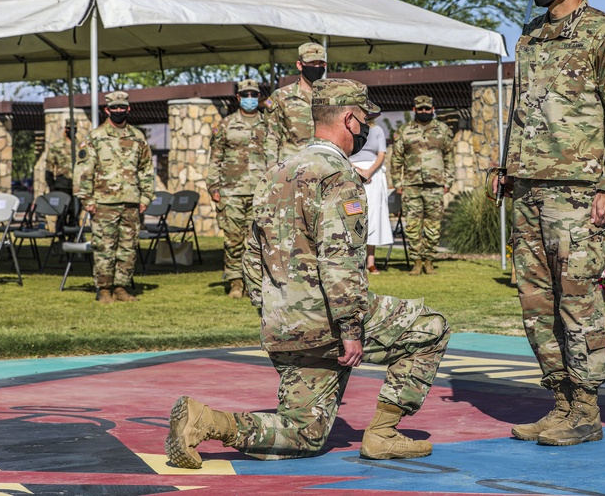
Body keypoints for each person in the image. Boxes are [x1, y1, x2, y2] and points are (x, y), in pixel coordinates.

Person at [166, 79, 450, 467]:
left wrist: (270, 310)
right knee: (430, 327)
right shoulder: (338, 174)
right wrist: (350, 330)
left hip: (284, 322)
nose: (366, 127)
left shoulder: (276, 172)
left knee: (304, 433)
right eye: (364, 119)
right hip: (328, 321)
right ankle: (383, 434)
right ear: (349, 119)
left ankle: (207, 422)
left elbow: (252, 255)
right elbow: (341, 259)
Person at [496, 0, 605, 447]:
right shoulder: (530, 35)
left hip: (579, 194)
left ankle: (586, 408)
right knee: (535, 302)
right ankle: (560, 401)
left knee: (578, 301)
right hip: (530, 190)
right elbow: (522, 108)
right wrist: (507, 165)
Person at [74, 91, 154, 304]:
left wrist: (146, 198)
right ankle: (104, 289)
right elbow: (83, 171)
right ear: (107, 110)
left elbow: (146, 169)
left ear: (128, 109)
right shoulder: (95, 137)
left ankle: (121, 287)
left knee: (128, 248)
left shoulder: (137, 137)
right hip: (103, 203)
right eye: (114, 108)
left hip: (131, 202)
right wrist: (87, 200)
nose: (118, 111)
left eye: (122, 107)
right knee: (104, 247)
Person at [207, 79, 267, 298]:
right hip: (231, 191)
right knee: (233, 239)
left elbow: (275, 156)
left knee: (259, 240)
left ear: (258, 97)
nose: (250, 98)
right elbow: (215, 159)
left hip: (261, 191)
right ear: (238, 98)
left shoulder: (268, 124)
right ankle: (235, 282)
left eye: (254, 94)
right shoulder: (225, 125)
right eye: (246, 95)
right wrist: (213, 186)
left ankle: (255, 282)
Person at [391, 95, 454, 276]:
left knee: (433, 225)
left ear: (432, 109)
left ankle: (429, 261)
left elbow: (449, 157)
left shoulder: (443, 130)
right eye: (421, 109)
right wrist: (397, 182)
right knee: (412, 225)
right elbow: (396, 158)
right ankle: (416, 262)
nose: (424, 112)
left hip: (435, 185)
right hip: (411, 185)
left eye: (427, 108)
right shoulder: (404, 131)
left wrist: (448, 181)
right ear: (414, 110)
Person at [264, 42, 326, 166]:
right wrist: (272, 171)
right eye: (312, 63)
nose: (316, 67)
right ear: (299, 65)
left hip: (323, 166)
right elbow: (271, 136)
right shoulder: (281, 96)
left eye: (320, 63)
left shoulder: (330, 96)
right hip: (291, 167)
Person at [349, 113, 392, 274]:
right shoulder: (352, 128)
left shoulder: (378, 130)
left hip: (373, 175)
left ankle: (370, 261)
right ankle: (355, 260)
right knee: (354, 214)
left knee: (373, 216)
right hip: (353, 171)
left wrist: (368, 172)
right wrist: (357, 170)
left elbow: (381, 154)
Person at [45, 125, 76, 193]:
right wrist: (52, 186)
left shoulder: (81, 146)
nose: (72, 131)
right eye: (69, 129)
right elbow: (49, 166)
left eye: (74, 128)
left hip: (78, 187)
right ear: (66, 130)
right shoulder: (56, 146)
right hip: (62, 186)